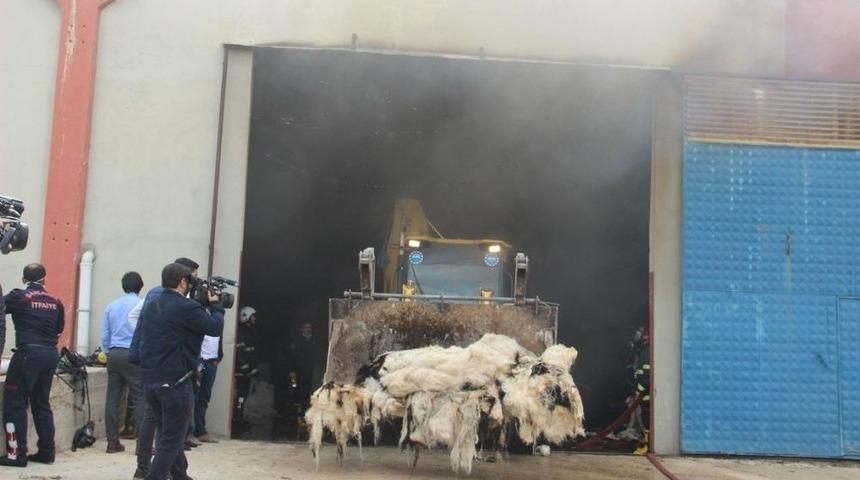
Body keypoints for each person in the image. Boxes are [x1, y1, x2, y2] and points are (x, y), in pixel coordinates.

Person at [138, 262, 224, 480]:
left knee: (170, 437)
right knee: (171, 441)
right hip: (176, 384)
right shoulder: (186, 308)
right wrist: (216, 306)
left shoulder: (152, 303)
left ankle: (181, 477)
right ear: (183, 282)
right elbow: (214, 327)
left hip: (151, 382)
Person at [129, 257, 200, 479]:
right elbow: (135, 317)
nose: (195, 281)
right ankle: (150, 468)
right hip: (165, 370)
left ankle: (169, 471)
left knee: (163, 424)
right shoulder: (163, 296)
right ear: (183, 278)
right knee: (163, 426)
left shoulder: (161, 295)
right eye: (193, 277)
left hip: (154, 366)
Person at [0, 264, 64, 468]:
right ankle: (47, 452)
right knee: (41, 403)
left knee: (14, 403)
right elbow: (59, 328)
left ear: (23, 279)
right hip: (50, 355)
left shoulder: (20, 297)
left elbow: (2, 309)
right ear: (44, 279)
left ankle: (16, 454)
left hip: (28, 353)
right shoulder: (56, 301)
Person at [102, 271, 145, 454]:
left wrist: (108, 352)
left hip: (114, 353)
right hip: (134, 355)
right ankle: (142, 444)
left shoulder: (111, 306)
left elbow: (105, 335)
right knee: (140, 397)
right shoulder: (142, 305)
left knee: (113, 398)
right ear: (140, 286)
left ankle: (112, 442)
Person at [192, 332, 222, 443]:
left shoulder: (216, 321)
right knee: (192, 397)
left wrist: (218, 358)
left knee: (204, 398)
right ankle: (188, 433)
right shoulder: (199, 317)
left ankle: (200, 431)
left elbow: (219, 341)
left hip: (211, 363)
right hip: (199, 362)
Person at [232, 306, 259, 433]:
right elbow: (241, 352)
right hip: (243, 370)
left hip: (247, 369)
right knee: (241, 394)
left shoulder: (249, 330)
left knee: (244, 393)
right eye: (253, 316)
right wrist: (245, 369)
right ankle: (237, 416)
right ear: (246, 316)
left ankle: (239, 415)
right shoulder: (243, 331)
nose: (255, 318)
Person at [290, 321, 322, 413]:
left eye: (309, 327)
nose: (308, 329)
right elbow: (293, 356)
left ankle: (308, 407)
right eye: (306, 327)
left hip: (312, 369)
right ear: (301, 329)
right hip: (299, 370)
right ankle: (298, 409)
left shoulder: (315, 340)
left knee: (310, 387)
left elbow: (318, 354)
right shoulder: (297, 341)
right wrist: (292, 369)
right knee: (297, 387)